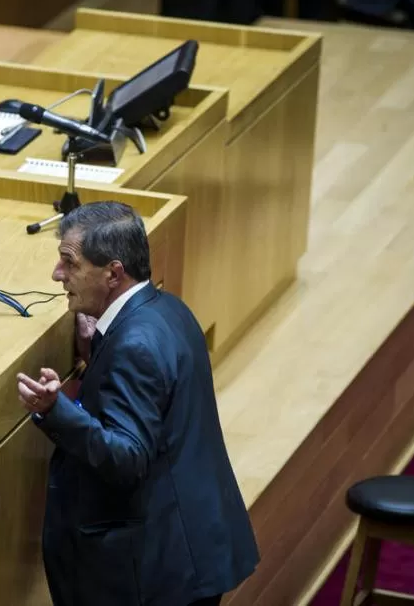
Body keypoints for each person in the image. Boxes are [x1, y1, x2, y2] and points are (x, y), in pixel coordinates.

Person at [17, 202, 259, 606]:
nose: (57, 275)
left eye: (69, 263)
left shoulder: (135, 345)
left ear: (113, 273)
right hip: (193, 538)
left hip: (159, 566)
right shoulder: (168, 309)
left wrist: (54, 411)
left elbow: (128, 457)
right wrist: (94, 348)